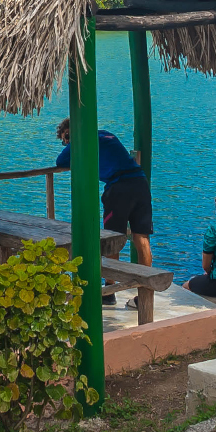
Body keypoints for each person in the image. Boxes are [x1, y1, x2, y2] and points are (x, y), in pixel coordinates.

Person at [56, 118, 152, 305]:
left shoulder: (84, 138)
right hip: (140, 182)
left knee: (112, 239)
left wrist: (72, 143)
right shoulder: (105, 134)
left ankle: (109, 291)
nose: (66, 143)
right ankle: (145, 294)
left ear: (72, 131)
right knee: (142, 238)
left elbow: (60, 161)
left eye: (66, 138)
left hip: (118, 188)